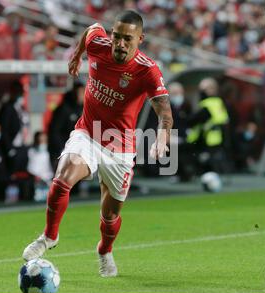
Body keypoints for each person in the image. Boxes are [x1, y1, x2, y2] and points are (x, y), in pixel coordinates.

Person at [22, 10, 173, 277]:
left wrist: (162, 135)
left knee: (111, 215)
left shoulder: (147, 70)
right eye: (117, 36)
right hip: (88, 134)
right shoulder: (98, 45)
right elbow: (91, 29)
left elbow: (165, 112)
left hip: (120, 147)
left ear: (140, 39)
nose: (120, 44)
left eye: (128, 39)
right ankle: (49, 236)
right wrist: (77, 55)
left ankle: (104, 251)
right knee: (62, 179)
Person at [186, 77, 230, 175]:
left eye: (203, 90)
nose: (201, 92)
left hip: (207, 138)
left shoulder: (209, 104)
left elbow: (194, 119)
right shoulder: (219, 102)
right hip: (216, 138)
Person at [27, 131, 53, 202]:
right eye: (40, 140)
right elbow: (30, 168)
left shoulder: (51, 153)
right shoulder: (31, 152)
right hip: (37, 182)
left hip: (50, 181)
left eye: (44, 140)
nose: (42, 143)